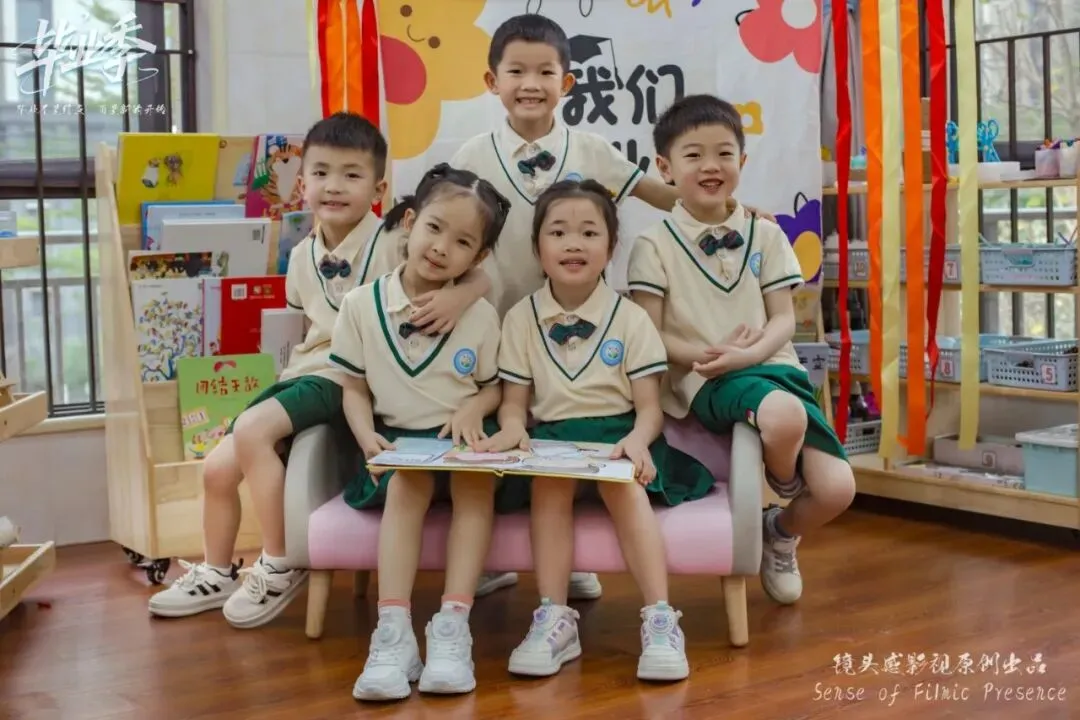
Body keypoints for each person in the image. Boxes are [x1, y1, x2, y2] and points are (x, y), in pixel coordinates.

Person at [452, 14, 772, 599]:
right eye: (517, 71)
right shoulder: (473, 154)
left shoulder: (591, 150)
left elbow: (662, 193)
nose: (531, 83)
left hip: (580, 325)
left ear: (567, 82)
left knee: (574, 431)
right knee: (512, 437)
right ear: (491, 81)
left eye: (545, 72)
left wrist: (732, 211)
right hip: (503, 327)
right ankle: (498, 558)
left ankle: (577, 565)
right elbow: (449, 226)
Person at [147, 113, 486, 625]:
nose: (334, 186)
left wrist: (464, 295)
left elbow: (474, 271)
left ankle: (282, 561)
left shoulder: (395, 239)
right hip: (303, 374)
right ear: (301, 184)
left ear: (380, 188)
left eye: (352, 174)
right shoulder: (302, 252)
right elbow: (301, 330)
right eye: (322, 173)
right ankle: (217, 570)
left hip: (345, 377)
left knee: (253, 430)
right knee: (216, 469)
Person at [627, 95, 856, 606]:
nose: (711, 166)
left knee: (838, 490)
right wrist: (711, 358)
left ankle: (779, 529)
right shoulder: (653, 244)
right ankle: (783, 480)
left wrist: (750, 356)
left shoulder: (767, 234)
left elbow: (783, 320)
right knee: (782, 415)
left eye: (724, 153)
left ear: (742, 161)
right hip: (706, 379)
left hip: (774, 370)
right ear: (664, 167)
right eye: (693, 155)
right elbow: (649, 333)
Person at [480, 179, 712, 682]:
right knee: (549, 486)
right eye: (558, 232)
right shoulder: (519, 318)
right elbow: (514, 405)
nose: (574, 244)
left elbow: (649, 409)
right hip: (552, 440)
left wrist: (637, 441)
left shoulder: (631, 318)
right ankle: (554, 618)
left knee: (623, 485)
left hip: (619, 433)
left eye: (589, 232)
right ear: (537, 247)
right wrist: (514, 430)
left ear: (611, 247)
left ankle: (659, 618)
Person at [336, 163, 511, 701]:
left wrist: (475, 407)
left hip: (461, 445)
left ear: (478, 258)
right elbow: (353, 388)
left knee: (475, 484)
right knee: (408, 483)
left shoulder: (480, 317)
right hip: (397, 447)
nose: (441, 248)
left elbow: (495, 387)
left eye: (462, 242)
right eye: (434, 228)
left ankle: (452, 626)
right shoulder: (360, 306)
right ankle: (393, 635)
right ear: (410, 222)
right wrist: (366, 437)